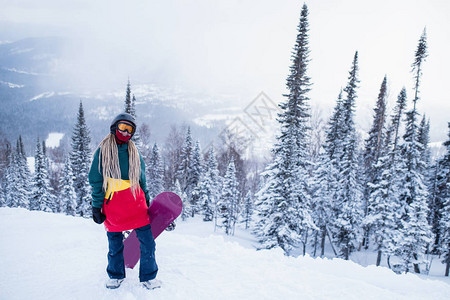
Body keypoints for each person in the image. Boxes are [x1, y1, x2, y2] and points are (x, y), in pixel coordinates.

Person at [89, 113, 160, 290]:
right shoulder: (103, 151)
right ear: (114, 127)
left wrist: (147, 199)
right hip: (113, 204)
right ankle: (115, 275)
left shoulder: (134, 152)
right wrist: (96, 205)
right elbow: (96, 180)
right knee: (114, 242)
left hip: (136, 202)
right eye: (123, 128)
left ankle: (148, 277)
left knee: (148, 242)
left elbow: (142, 179)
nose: (126, 133)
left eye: (130, 130)